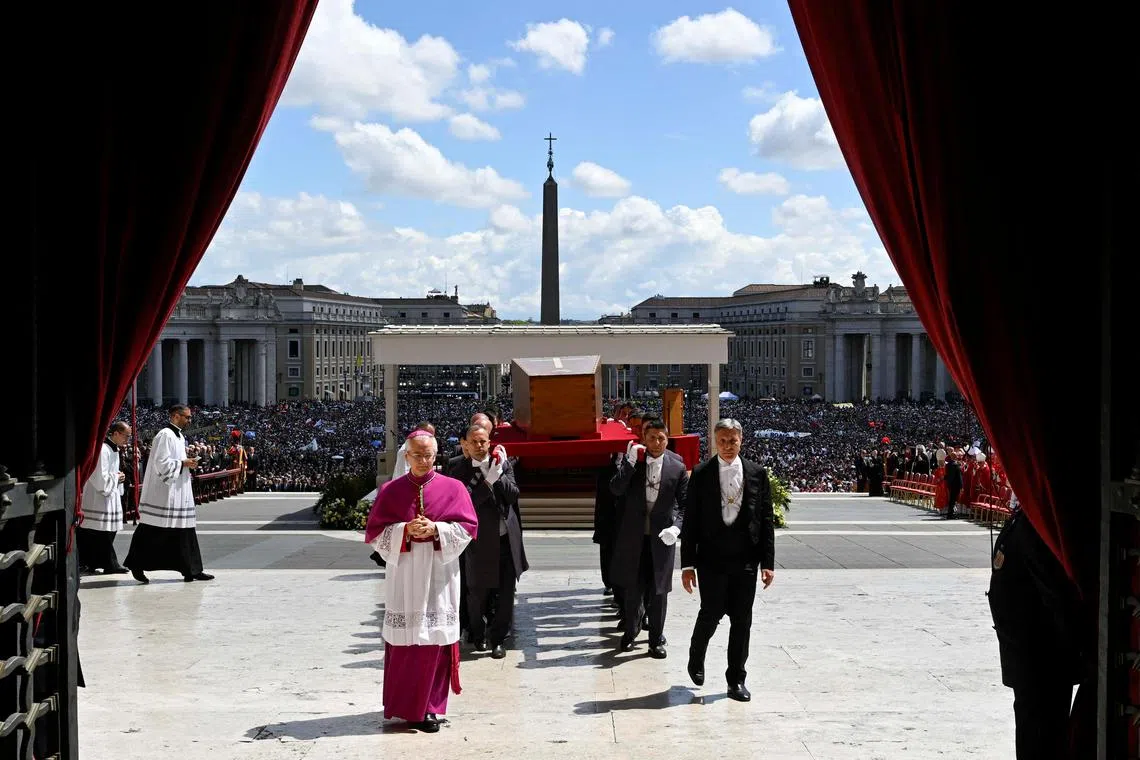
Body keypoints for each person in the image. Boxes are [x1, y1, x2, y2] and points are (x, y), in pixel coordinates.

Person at [365, 430, 478, 733]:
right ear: (406, 455)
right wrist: (405, 531)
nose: (424, 460)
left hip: (439, 576)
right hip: (405, 575)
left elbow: (468, 528)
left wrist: (437, 530)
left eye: (429, 455)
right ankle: (403, 706)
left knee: (435, 642)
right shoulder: (391, 491)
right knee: (406, 645)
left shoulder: (453, 488)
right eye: (417, 454)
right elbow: (375, 534)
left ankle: (430, 707)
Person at [679, 418, 775, 703]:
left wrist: (767, 563)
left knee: (742, 621)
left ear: (741, 440)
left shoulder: (757, 473)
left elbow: (766, 519)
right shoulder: (701, 473)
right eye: (722, 441)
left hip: (746, 559)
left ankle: (736, 679)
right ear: (714, 441)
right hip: (711, 559)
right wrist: (687, 566)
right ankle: (696, 654)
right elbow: (691, 522)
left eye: (733, 441)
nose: (728, 446)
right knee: (711, 612)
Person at [987, 508, 1086, 758]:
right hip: (1027, 657)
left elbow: (1054, 595)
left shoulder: (1033, 527)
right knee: (1034, 733)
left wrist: (1078, 648)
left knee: (1043, 737)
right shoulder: (1025, 520)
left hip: (1042, 659)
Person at [608, 417, 689, 658]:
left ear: (667, 439)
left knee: (659, 592)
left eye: (661, 438)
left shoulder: (677, 465)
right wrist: (631, 463)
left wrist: (676, 529)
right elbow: (615, 489)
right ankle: (631, 633)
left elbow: (686, 506)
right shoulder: (634, 462)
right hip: (634, 537)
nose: (656, 443)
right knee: (634, 589)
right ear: (644, 438)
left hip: (661, 539)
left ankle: (656, 639)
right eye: (651, 437)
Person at [452, 425, 527, 659]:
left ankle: (498, 639)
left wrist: (499, 476)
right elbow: (463, 505)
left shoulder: (501, 463)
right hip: (478, 542)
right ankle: (478, 634)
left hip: (504, 539)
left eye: (483, 441)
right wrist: (486, 484)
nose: (479, 446)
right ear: (465, 443)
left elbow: (513, 494)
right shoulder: (458, 468)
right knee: (477, 594)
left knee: (506, 594)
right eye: (474, 442)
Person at [124, 404, 214, 584]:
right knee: (152, 529)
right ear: (175, 416)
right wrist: (183, 463)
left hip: (179, 490)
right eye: (186, 417)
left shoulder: (178, 435)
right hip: (164, 493)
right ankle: (136, 564)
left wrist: (187, 462)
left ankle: (191, 569)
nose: (190, 420)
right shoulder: (165, 434)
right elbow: (161, 463)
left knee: (185, 530)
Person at [77, 420, 131, 574]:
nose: (127, 439)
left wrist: (117, 477)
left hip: (109, 496)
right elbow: (99, 477)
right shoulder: (102, 449)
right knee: (101, 533)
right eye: (126, 436)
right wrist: (117, 477)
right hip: (97, 497)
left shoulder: (114, 449)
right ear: (115, 433)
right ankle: (109, 564)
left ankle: (96, 562)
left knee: (106, 532)